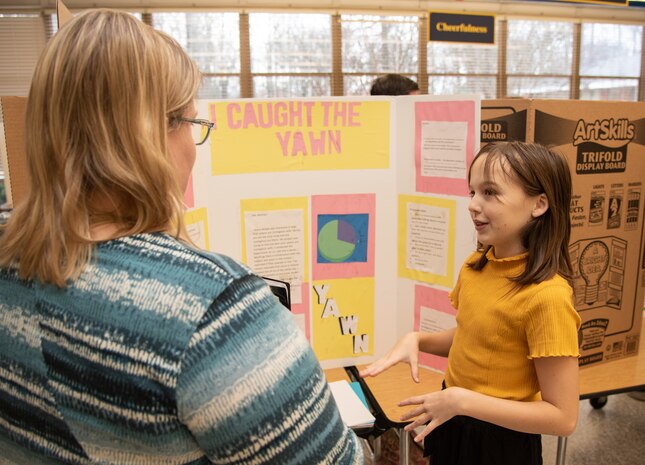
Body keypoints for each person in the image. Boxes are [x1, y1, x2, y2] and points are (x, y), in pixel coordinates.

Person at [0, 9, 363, 465]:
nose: (194, 145)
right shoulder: (210, 307)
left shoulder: (10, 267)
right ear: (149, 135)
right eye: (192, 123)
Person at [361, 141, 581, 465]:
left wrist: (463, 401)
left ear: (539, 204)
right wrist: (418, 340)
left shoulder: (548, 297)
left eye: (490, 192)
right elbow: (476, 336)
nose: (473, 205)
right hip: (454, 419)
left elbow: (563, 417)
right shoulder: (477, 265)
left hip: (500, 440)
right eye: (472, 192)